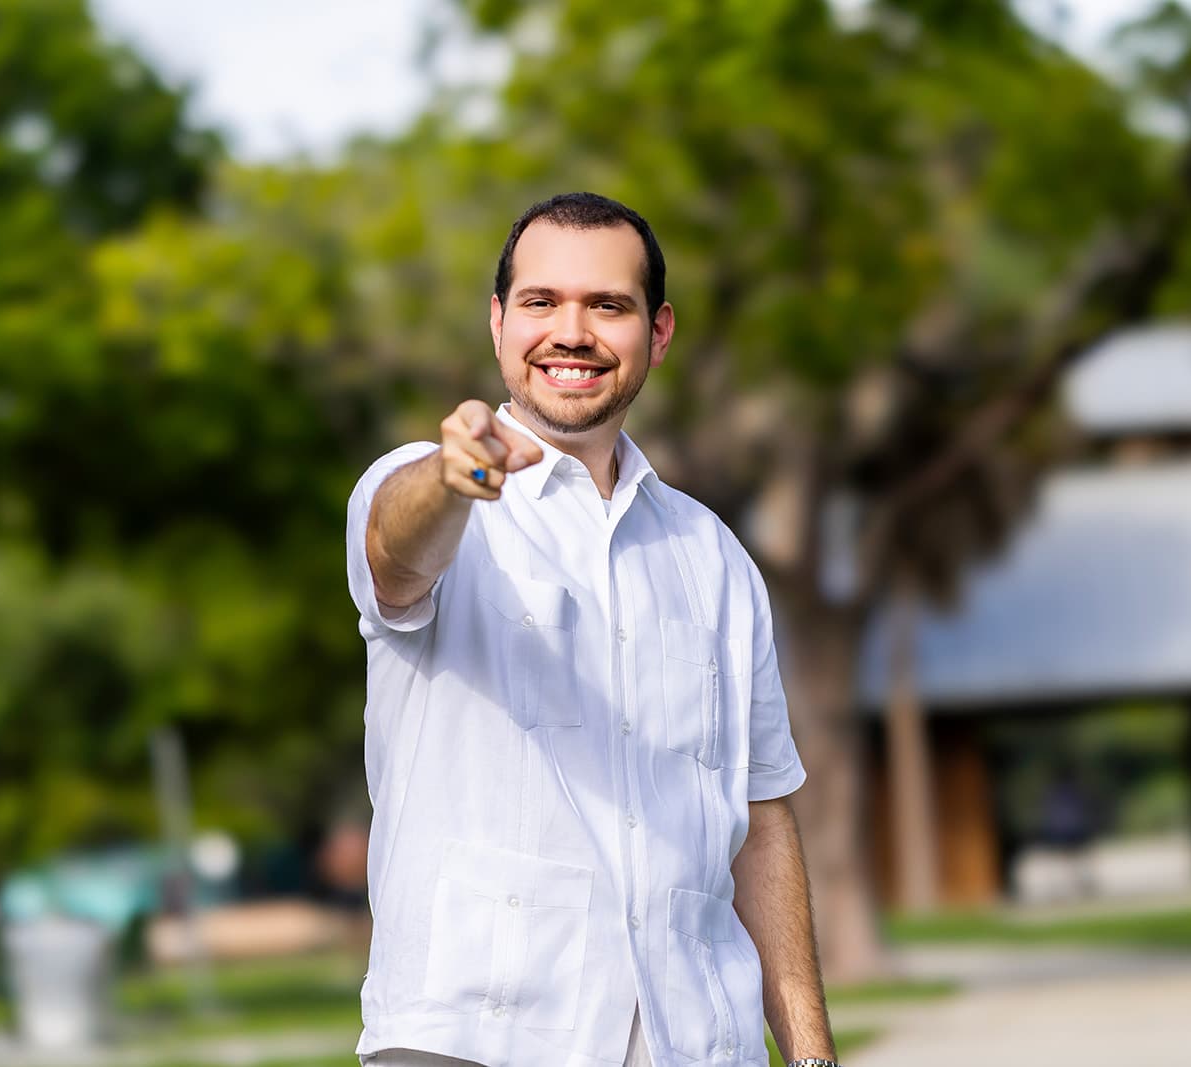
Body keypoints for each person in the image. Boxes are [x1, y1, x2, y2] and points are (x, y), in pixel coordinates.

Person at [346, 193, 838, 1067]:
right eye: (540, 302)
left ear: (658, 331)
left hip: (693, 1041)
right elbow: (396, 552)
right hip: (476, 1038)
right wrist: (455, 480)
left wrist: (810, 1054)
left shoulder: (713, 554)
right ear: (498, 322)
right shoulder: (424, 490)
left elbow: (760, 817)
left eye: (606, 305)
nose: (570, 331)